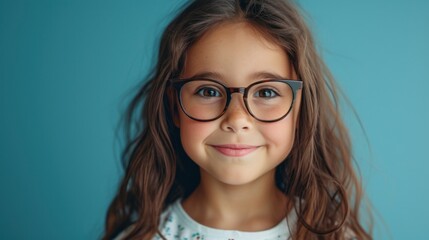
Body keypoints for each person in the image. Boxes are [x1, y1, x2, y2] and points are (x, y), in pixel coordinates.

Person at [103, 0, 373, 239]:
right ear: (175, 107)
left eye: (266, 92)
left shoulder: (333, 236)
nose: (237, 119)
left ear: (300, 109)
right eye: (208, 91)